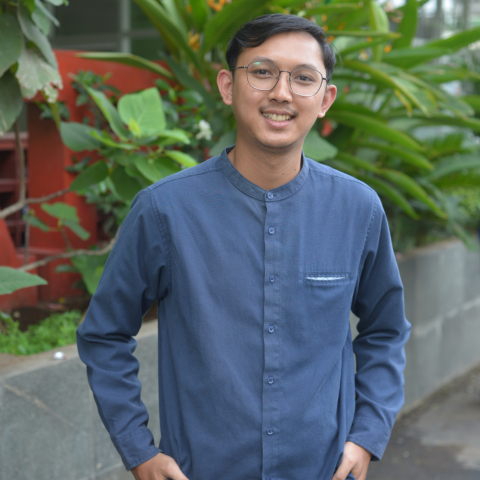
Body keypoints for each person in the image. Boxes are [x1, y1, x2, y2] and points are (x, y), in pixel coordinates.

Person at [77, 13, 411, 480]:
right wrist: (139, 451)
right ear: (227, 86)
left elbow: (386, 329)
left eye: (303, 78)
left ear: (325, 99)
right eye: (262, 71)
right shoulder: (164, 210)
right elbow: (104, 334)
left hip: (323, 470)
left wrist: (367, 435)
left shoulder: (358, 209)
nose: (281, 93)